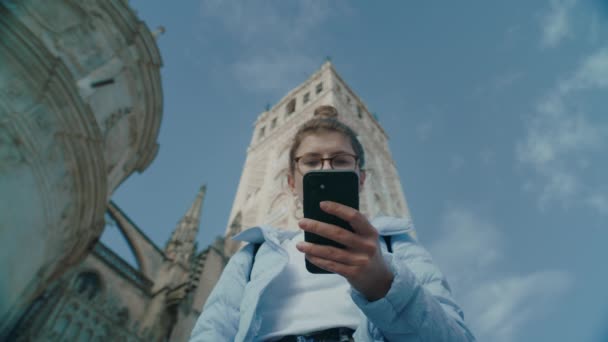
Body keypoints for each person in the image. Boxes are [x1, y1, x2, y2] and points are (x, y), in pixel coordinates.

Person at [190, 105, 475, 341]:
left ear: (361, 179)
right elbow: (211, 331)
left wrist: (385, 286)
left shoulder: (396, 245)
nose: (326, 168)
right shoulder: (254, 253)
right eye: (312, 162)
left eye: (340, 160)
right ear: (290, 182)